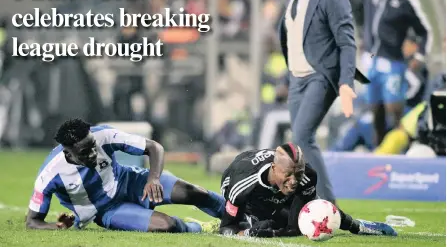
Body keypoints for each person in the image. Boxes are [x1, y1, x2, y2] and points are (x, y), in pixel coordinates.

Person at [277, 0, 369, 204]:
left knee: (303, 136)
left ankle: (328, 204)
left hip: (321, 75)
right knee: (300, 144)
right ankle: (303, 198)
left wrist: (345, 83)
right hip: (296, 79)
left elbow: (347, 43)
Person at [25, 118, 224, 233]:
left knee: (192, 192)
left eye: (92, 147)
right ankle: (201, 228)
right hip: (107, 210)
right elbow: (33, 221)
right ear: (68, 153)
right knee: (166, 225)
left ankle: (237, 214)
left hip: (132, 182)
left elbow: (154, 147)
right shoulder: (50, 174)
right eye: (84, 152)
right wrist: (57, 226)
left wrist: (153, 178)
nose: (93, 153)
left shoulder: (103, 134)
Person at [339, 0, 432, 146]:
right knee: (376, 109)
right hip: (371, 60)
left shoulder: (404, 3)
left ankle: (402, 148)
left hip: (392, 62)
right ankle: (380, 149)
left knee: (394, 109)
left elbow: (423, 31)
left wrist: (419, 54)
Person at [217, 143, 397, 237]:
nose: (294, 181)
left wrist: (275, 233)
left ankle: (358, 225)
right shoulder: (242, 186)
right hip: (248, 198)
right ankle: (252, 219)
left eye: (298, 174)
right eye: (288, 174)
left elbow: (302, 218)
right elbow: (225, 229)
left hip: (276, 190)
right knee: (264, 223)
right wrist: (248, 233)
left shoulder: (306, 175)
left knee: (299, 225)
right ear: (274, 168)